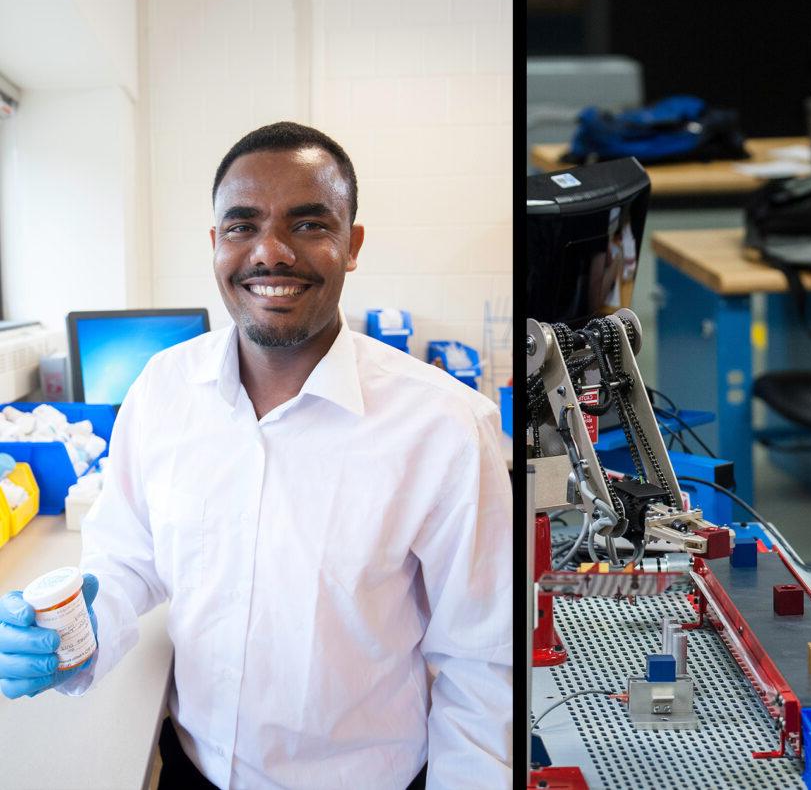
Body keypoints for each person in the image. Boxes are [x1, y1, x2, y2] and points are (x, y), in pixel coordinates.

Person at [0, 122, 511, 788]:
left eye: (308, 225)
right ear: (215, 245)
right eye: (242, 227)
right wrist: (80, 629)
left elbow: (483, 668)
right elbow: (129, 556)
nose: (270, 252)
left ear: (351, 245)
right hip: (193, 768)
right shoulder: (161, 391)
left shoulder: (443, 428)